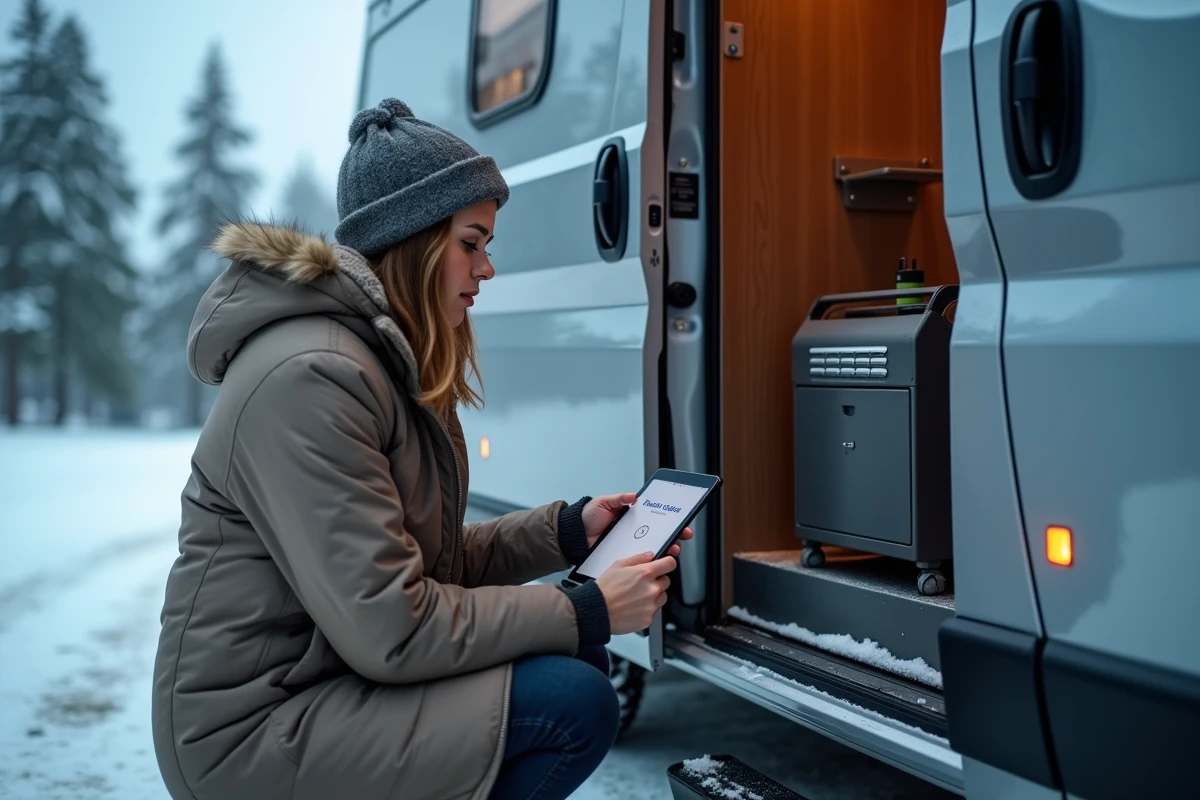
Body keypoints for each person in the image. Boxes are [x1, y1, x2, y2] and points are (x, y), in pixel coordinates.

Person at [150, 97, 690, 800]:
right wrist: (582, 607)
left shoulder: (374, 363)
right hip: (253, 731)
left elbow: (425, 564)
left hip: (332, 676)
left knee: (577, 654)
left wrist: (564, 530)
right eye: (472, 243)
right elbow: (394, 624)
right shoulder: (311, 378)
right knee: (573, 702)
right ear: (414, 242)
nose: (486, 269)